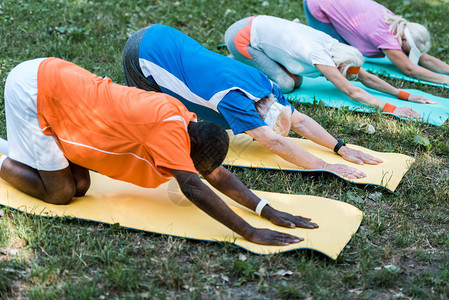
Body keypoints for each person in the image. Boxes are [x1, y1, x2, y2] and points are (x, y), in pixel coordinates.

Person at [0, 57, 319, 247]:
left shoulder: (183, 118)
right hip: (33, 91)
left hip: (59, 82)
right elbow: (195, 187)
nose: (199, 174)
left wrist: (266, 210)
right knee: (61, 193)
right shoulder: (166, 135)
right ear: (190, 151)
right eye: (197, 168)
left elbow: (215, 174)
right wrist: (249, 232)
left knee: (81, 187)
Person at [123, 24, 383, 181]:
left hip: (166, 35)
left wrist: (340, 147)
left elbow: (299, 120)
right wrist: (325, 166)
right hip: (143, 53)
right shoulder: (235, 101)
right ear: (256, 114)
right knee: (152, 115)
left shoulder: (267, 86)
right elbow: (273, 141)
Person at [225, 15, 433, 119]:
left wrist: (403, 95)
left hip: (261, 28)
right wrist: (393, 109)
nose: (352, 75)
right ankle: (235, 60)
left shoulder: (339, 51)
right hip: (242, 37)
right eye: (348, 72)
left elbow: (365, 78)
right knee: (287, 84)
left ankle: (257, 56)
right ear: (339, 65)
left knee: (298, 80)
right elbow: (351, 90)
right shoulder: (320, 55)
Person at [304, 0, 449, 86]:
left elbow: (425, 58)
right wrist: (445, 80)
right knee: (333, 50)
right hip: (319, 4)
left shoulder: (399, 25)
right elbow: (409, 69)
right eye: (409, 50)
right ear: (404, 40)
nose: (408, 54)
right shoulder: (386, 36)